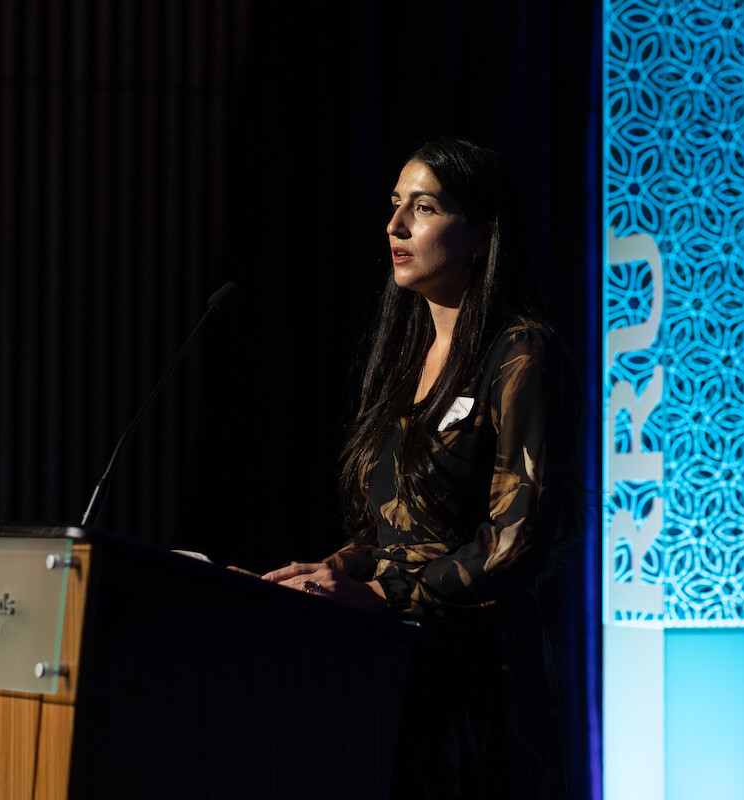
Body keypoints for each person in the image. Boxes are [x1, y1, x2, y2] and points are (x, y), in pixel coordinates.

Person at [261, 137, 581, 799]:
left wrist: (382, 594)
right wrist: (325, 575)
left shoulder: (521, 355)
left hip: (477, 684)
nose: (395, 225)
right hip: (385, 672)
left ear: (484, 234)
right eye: (395, 205)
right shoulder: (403, 360)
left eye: (424, 207)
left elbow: (515, 540)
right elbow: (395, 530)